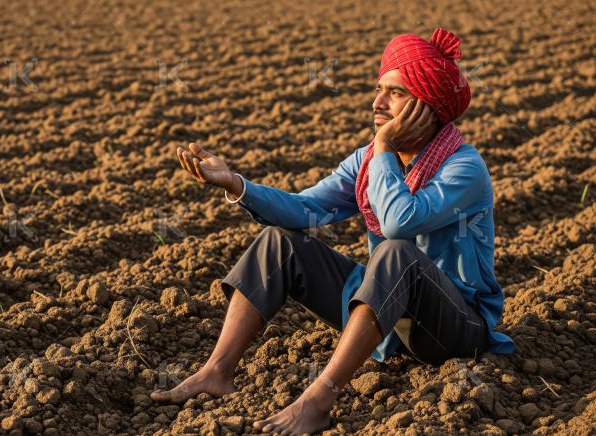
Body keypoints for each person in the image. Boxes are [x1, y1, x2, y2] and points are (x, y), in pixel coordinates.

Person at [151, 27, 515, 434]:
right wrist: (236, 184)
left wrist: (382, 149)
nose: (378, 103)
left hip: (455, 329)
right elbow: (306, 209)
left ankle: (318, 399)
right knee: (279, 242)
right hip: (392, 318)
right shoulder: (369, 161)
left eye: (395, 93)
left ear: (426, 107)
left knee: (395, 253)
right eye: (379, 88)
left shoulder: (463, 169)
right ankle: (217, 371)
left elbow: (398, 221)